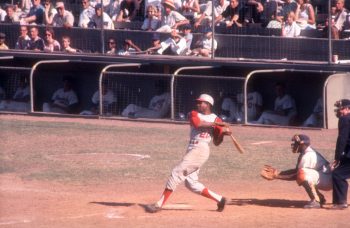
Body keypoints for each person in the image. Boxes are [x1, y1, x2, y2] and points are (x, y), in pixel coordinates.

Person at [144, 93, 231, 213]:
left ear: (208, 104)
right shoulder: (194, 114)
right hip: (192, 148)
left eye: (201, 102)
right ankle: (220, 200)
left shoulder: (216, 119)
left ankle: (158, 205)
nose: (198, 104)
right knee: (191, 183)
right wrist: (216, 124)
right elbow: (198, 124)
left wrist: (223, 134)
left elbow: (216, 142)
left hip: (201, 149)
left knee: (176, 172)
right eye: (198, 102)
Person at [261, 134, 332, 209]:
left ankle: (316, 201)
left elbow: (297, 174)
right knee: (303, 173)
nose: (293, 145)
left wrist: (277, 176)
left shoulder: (308, 155)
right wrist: (279, 173)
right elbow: (296, 171)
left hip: (327, 181)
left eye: (295, 143)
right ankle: (320, 198)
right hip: (324, 178)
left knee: (303, 174)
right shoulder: (305, 153)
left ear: (302, 144)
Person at [330, 99, 350, 209]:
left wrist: (337, 158)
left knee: (338, 174)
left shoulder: (345, 119)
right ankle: (338, 201)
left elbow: (342, 139)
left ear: (348, 109)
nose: (339, 111)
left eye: (341, 108)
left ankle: (341, 203)